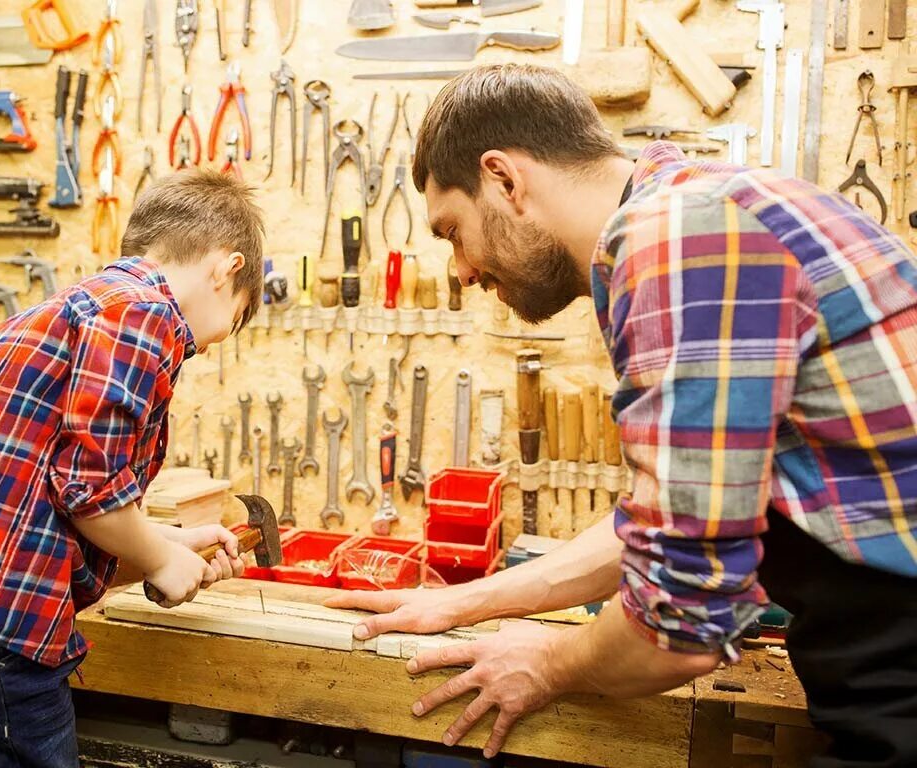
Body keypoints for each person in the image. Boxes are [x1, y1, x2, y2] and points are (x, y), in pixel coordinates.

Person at [327, 64, 917, 767]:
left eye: (454, 230)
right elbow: (668, 519)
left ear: (505, 180)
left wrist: (549, 662)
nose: (461, 269)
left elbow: (681, 627)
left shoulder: (677, 239)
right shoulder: (692, 211)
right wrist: (465, 604)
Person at [0, 169, 266, 767]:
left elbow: (53, 501)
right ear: (226, 269)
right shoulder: (144, 313)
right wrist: (157, 559)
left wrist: (170, 544)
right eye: (231, 322)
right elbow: (92, 489)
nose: (208, 345)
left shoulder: (84, 309)